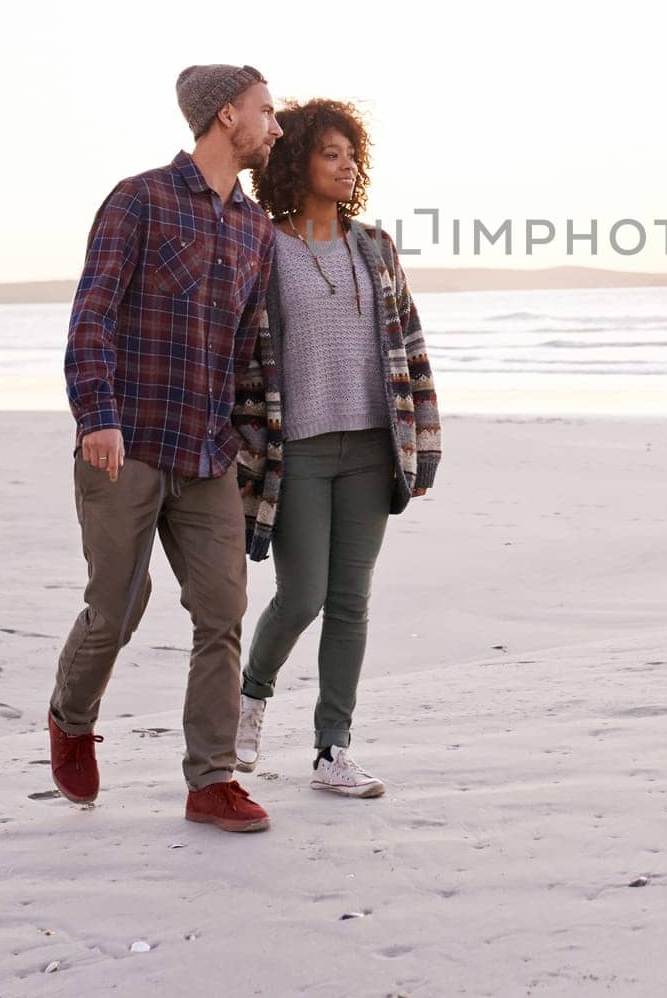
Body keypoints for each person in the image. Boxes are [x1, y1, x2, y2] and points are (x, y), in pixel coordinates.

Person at [52, 63, 283, 834]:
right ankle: (71, 715)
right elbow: (91, 315)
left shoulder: (255, 229)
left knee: (222, 611)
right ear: (226, 117)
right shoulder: (139, 199)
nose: (274, 127)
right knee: (116, 609)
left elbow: (251, 351)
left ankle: (211, 781)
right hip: (128, 443)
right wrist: (97, 416)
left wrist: (250, 445)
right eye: (265, 111)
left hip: (208, 452)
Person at [230, 98, 441, 798]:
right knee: (303, 595)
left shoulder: (374, 246)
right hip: (298, 452)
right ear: (296, 164)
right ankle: (250, 698)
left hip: (372, 445)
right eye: (331, 153)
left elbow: (410, 345)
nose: (347, 165)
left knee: (351, 600)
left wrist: (425, 444)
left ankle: (332, 751)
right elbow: (244, 359)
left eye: (353, 154)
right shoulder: (263, 247)